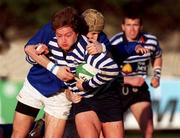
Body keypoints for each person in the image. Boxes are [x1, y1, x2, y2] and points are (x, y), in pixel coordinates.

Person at [11, 7, 81, 138]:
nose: (63, 39)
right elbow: (29, 49)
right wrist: (55, 68)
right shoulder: (50, 28)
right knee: (18, 134)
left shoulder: (86, 41)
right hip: (34, 86)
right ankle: (39, 126)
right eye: (59, 35)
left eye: (68, 35)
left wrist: (75, 90)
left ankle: (40, 126)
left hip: (60, 95)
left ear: (77, 32)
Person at [110, 7, 162, 138]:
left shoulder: (151, 41)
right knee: (112, 134)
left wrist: (157, 76)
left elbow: (157, 56)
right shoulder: (114, 42)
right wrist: (127, 79)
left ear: (141, 26)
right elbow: (106, 70)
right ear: (123, 26)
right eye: (128, 25)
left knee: (149, 130)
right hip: (117, 91)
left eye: (135, 25)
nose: (132, 29)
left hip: (139, 91)